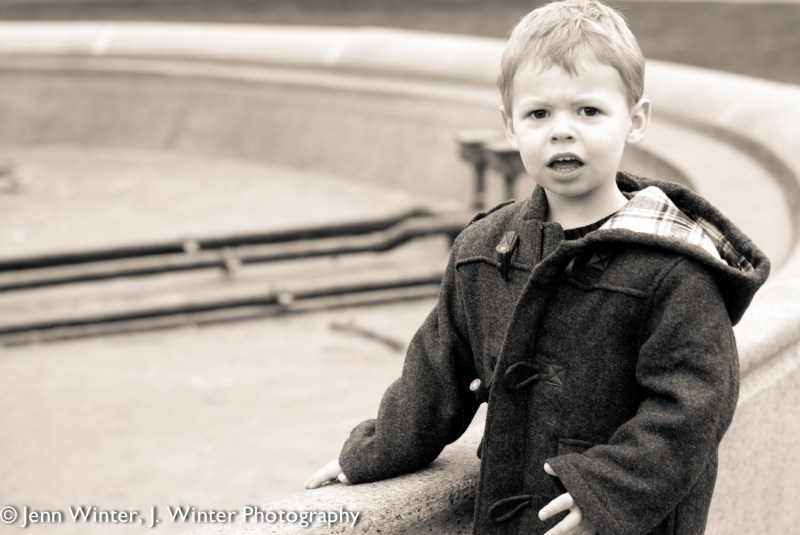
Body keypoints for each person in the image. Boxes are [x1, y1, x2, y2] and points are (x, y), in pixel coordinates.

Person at [305, 1, 770, 533]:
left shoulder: (672, 269)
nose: (561, 131)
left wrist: (607, 491)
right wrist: (371, 455)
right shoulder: (483, 251)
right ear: (510, 127)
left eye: (588, 111)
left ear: (636, 120)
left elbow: (693, 407)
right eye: (538, 114)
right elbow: (437, 371)